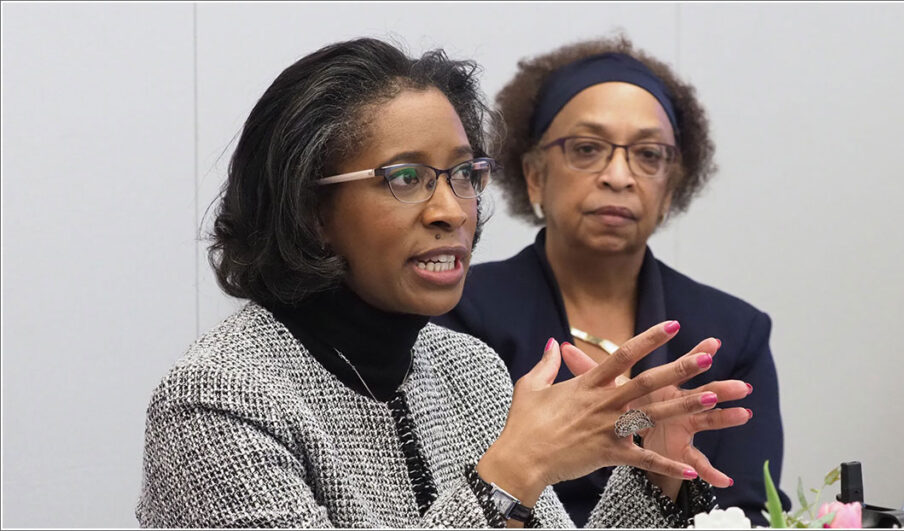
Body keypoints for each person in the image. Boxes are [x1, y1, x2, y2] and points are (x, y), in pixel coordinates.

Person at [135, 38, 755, 528]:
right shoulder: (218, 400)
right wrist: (513, 471)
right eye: (406, 178)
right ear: (308, 210)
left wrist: (655, 476)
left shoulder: (468, 370)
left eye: (463, 174)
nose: (453, 211)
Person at [434, 35, 791, 526]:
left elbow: (746, 512)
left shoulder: (733, 332)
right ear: (534, 175)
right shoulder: (458, 313)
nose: (619, 176)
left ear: (671, 188)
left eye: (648, 155)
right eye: (587, 148)